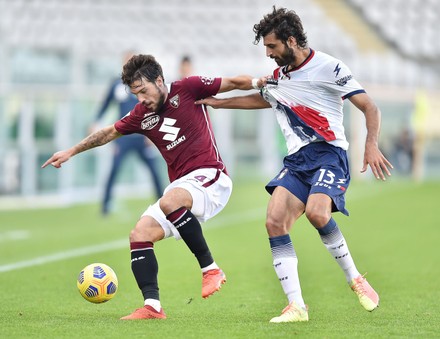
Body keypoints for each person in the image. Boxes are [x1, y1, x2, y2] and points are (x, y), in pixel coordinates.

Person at [196, 6, 393, 323]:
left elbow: (370, 106)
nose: (269, 54)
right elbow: (265, 98)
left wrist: (370, 145)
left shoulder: (329, 67)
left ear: (290, 40)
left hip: (329, 153)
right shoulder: (277, 77)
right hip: (298, 160)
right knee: (274, 221)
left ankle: (355, 278)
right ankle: (297, 306)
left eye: (272, 47)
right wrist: (220, 103)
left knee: (318, 212)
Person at [42, 54, 256, 320]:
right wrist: (72, 151)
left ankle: (210, 269)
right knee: (139, 233)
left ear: (159, 80)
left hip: (211, 177)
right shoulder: (141, 115)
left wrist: (262, 81)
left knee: (169, 200)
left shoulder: (188, 88)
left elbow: (235, 82)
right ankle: (152, 306)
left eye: (143, 91)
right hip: (182, 188)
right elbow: (108, 133)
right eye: (135, 94)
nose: (141, 99)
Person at [90, 51, 164, 215]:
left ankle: (164, 203)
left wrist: (154, 132)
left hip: (143, 136)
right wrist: (96, 121)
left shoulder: (145, 84)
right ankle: (106, 205)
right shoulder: (117, 84)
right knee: (114, 169)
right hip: (122, 137)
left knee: (154, 170)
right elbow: (105, 104)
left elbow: (156, 106)